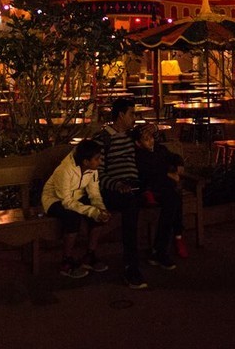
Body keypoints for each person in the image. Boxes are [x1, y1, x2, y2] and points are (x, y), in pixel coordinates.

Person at [95, 96, 150, 288]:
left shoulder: (131, 135)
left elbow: (153, 138)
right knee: (130, 205)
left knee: (169, 194)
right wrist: (117, 185)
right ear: (120, 115)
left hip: (134, 185)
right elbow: (98, 174)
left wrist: (154, 130)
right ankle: (131, 267)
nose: (134, 118)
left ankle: (160, 251)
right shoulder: (103, 139)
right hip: (114, 189)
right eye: (132, 114)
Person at [40, 139, 111, 278]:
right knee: (72, 217)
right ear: (85, 161)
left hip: (76, 197)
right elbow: (66, 201)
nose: (100, 162)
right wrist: (92, 211)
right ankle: (66, 261)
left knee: (98, 217)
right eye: (97, 159)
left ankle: (89, 255)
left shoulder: (92, 170)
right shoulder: (65, 170)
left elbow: (94, 193)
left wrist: (100, 209)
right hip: (55, 199)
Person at [132, 123, 189, 260]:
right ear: (138, 143)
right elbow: (149, 173)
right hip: (150, 190)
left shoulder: (160, 149)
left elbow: (174, 157)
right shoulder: (139, 155)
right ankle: (175, 238)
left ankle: (164, 246)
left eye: (151, 137)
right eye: (146, 139)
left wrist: (179, 165)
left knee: (174, 199)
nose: (150, 141)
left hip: (166, 188)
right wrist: (169, 175)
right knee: (174, 199)